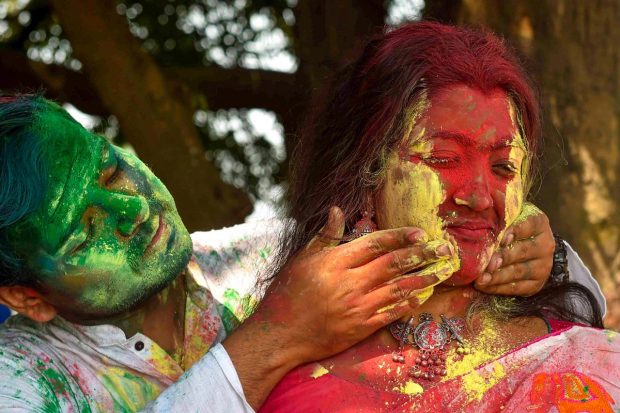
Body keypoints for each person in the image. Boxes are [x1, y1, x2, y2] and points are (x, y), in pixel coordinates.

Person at [0, 93, 592, 412]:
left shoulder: (271, 259)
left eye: (113, 170)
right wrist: (275, 337)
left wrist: (543, 262)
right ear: (28, 297)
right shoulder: (21, 385)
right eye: (86, 228)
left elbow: (571, 321)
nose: (133, 211)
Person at [251, 22, 620, 412]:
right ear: (366, 170)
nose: (479, 197)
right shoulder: (258, 330)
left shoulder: (587, 362)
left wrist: (557, 262)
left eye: (504, 168)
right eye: (443, 159)